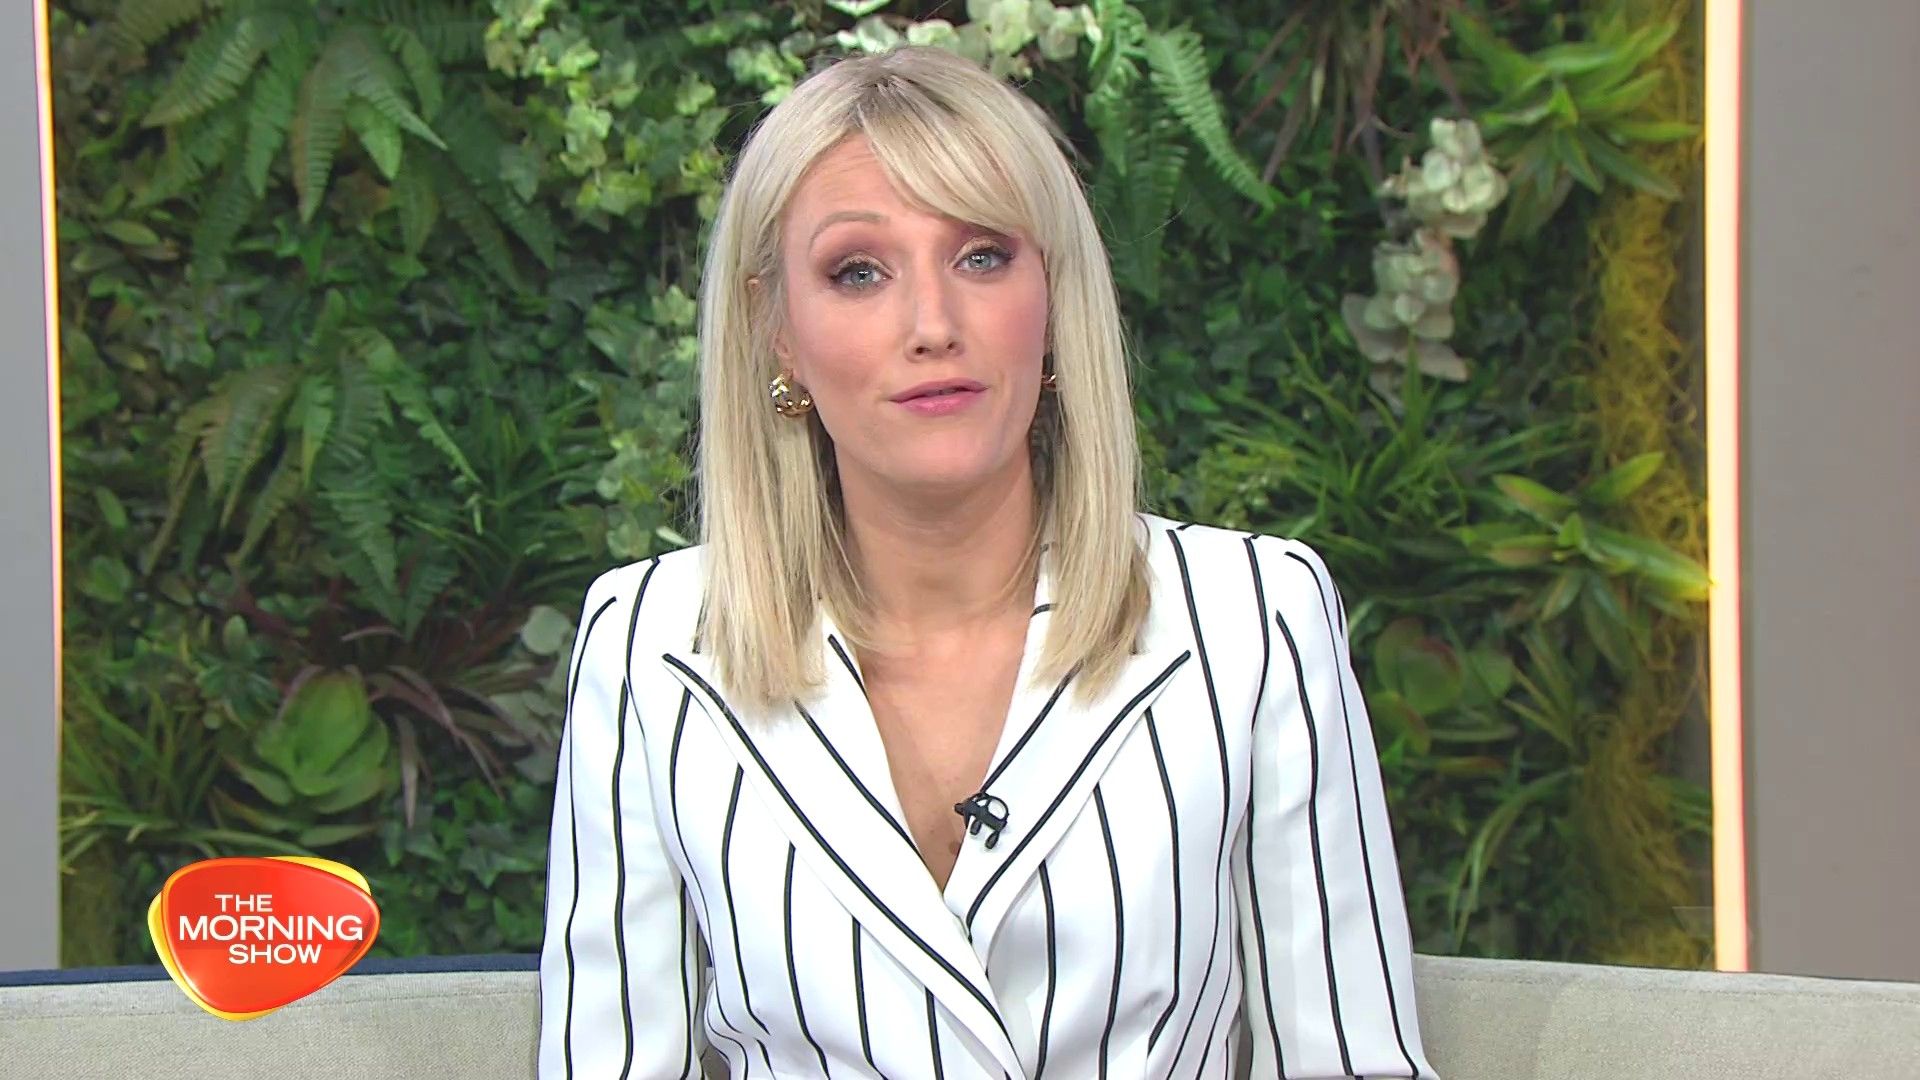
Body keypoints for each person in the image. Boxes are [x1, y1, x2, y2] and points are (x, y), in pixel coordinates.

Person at [536, 43, 1437, 1080]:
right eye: (858, 271)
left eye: (981, 257)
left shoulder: (1255, 620)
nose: (933, 325)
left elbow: (1348, 1059)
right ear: (778, 331)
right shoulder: (648, 645)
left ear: (1052, 298)